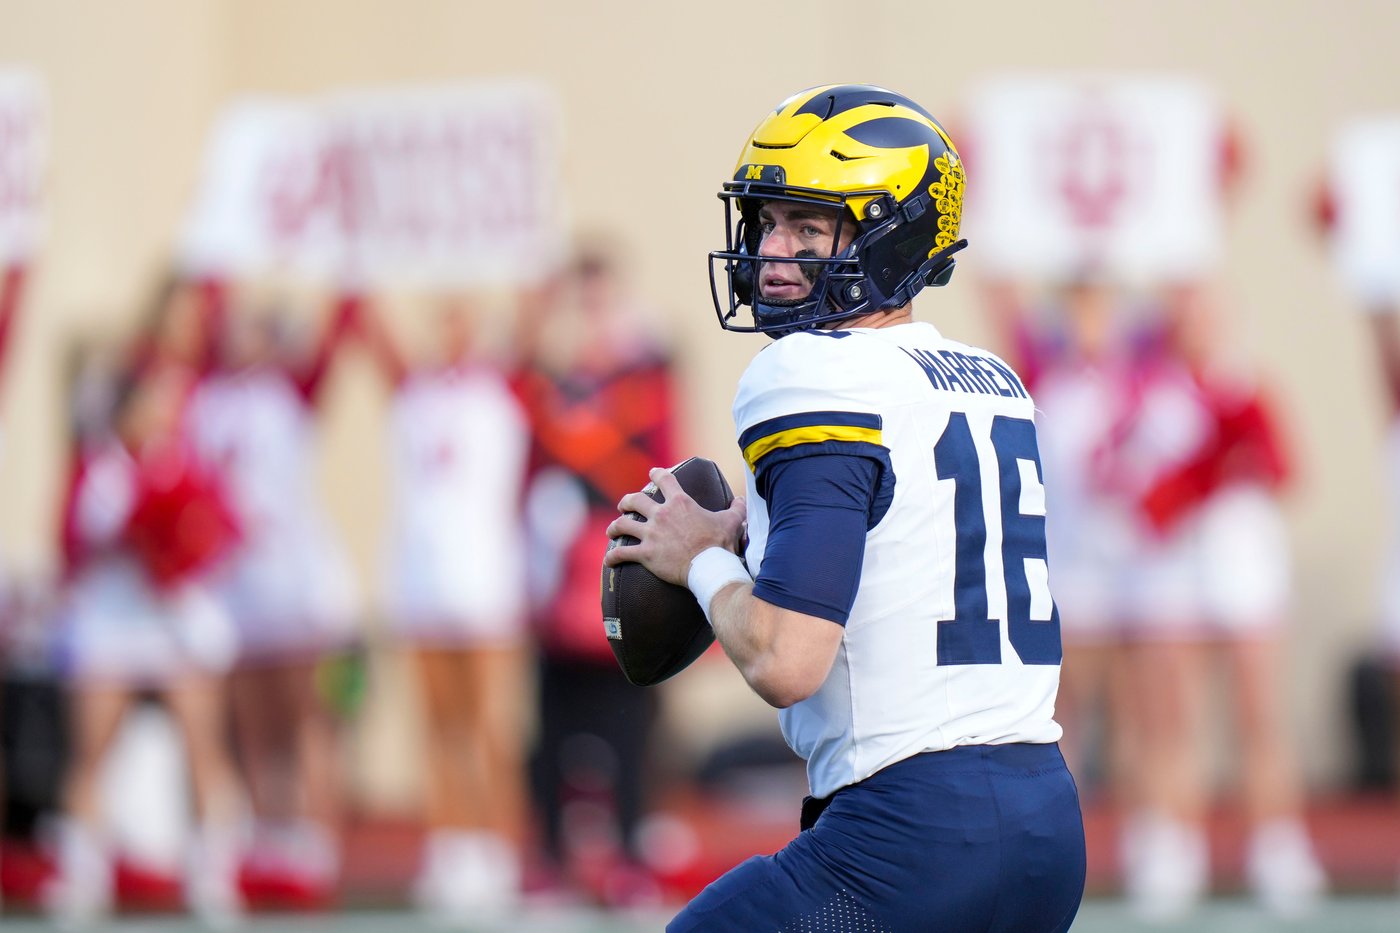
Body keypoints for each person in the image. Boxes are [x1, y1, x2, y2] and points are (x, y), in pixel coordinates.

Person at [605, 84, 1085, 932]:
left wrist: (701, 557)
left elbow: (790, 659)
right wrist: (750, 539)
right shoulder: (991, 381)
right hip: (1047, 817)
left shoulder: (812, 374)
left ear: (891, 237)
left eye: (809, 225)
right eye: (768, 222)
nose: (774, 251)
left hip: (914, 834)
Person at [514, 245, 679, 907]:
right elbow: (527, 473)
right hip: (560, 580)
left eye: (603, 302)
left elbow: (668, 464)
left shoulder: (644, 384)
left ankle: (632, 850)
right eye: (584, 304)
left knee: (631, 719)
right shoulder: (549, 388)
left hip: (625, 567)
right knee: (554, 720)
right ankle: (553, 854)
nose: (593, 318)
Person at [358, 293, 532, 919]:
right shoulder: (414, 392)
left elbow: (532, 312)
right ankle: (451, 843)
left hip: (486, 582)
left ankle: (498, 845)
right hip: (423, 580)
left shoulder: (501, 387)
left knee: (490, 724)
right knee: (437, 725)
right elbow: (372, 333)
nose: (451, 332)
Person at [185, 293, 361, 907]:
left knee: (305, 718)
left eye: (255, 329)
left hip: (296, 583)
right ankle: (269, 835)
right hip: (238, 587)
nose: (242, 339)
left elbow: (337, 330)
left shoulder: (291, 392)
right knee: (254, 726)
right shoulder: (205, 397)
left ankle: (317, 839)